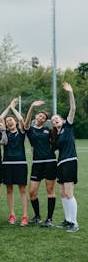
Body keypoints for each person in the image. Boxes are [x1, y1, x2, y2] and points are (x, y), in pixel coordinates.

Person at [51, 82, 79, 233]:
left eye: (57, 119)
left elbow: (73, 108)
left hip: (70, 162)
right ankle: (68, 220)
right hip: (61, 163)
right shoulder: (57, 135)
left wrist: (70, 92)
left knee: (69, 193)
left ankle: (74, 223)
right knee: (62, 192)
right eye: (53, 120)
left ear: (62, 120)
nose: (55, 121)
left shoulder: (67, 126)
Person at [24, 101, 57, 227]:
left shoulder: (47, 130)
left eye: (43, 118)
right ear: (36, 116)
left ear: (45, 121)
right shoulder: (29, 129)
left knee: (50, 190)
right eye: (40, 116)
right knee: (32, 192)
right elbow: (26, 121)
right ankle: (37, 216)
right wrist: (32, 106)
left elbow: (54, 143)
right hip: (37, 163)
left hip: (50, 162)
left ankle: (49, 219)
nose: (41, 118)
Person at [0, 98, 28, 226]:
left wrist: (13, 108)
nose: (8, 121)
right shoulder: (5, 134)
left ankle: (25, 216)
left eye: (11, 120)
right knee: (9, 190)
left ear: (15, 122)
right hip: (7, 164)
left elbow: (22, 120)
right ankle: (12, 215)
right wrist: (8, 107)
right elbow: (0, 117)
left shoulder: (21, 132)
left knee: (22, 189)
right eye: (7, 121)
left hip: (21, 163)